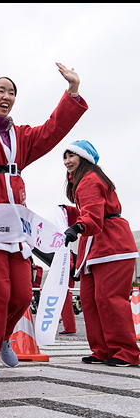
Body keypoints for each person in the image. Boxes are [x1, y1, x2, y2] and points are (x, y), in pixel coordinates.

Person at [0, 43, 88, 378]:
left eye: (12, 92)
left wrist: (72, 92)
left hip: (16, 224)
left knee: (21, 293)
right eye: (0, 90)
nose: (7, 96)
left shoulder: (20, 136)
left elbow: (52, 130)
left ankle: (0, 340)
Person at [62, 140, 140, 366]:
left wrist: (77, 226)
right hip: (95, 245)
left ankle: (125, 352)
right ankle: (102, 349)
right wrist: (69, 215)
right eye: (64, 157)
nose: (67, 161)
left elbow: (93, 216)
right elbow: (90, 212)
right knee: (90, 300)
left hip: (111, 243)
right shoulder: (84, 181)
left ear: (84, 157)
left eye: (71, 156)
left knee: (109, 299)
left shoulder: (90, 180)